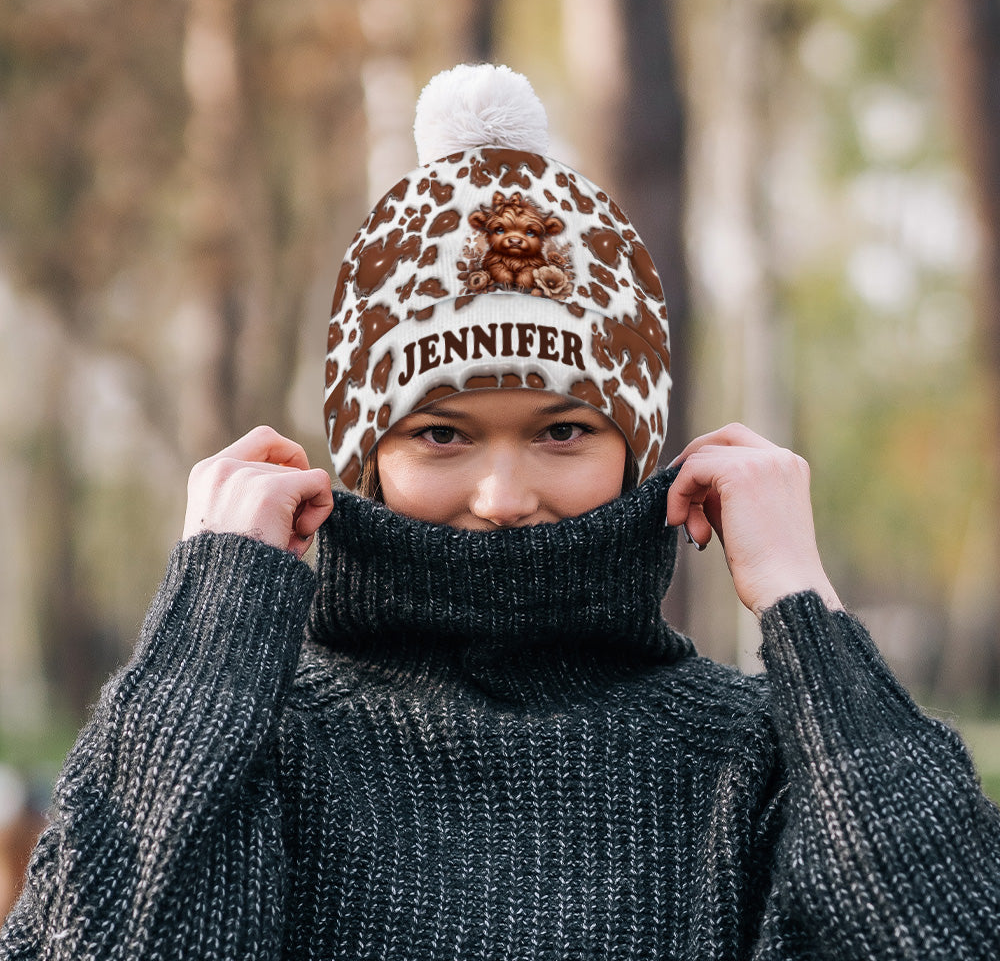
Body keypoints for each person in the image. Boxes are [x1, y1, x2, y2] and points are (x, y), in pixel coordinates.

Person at [2, 63, 998, 961]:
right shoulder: (258, 746)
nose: (505, 495)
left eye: (562, 430)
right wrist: (201, 648)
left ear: (635, 449)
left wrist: (803, 607)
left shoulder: (750, 759)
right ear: (366, 456)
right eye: (441, 433)